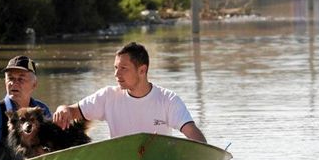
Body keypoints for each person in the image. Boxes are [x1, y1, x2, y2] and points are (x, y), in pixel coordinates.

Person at [53, 42, 207, 143]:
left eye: (123, 69)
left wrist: (205, 158)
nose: (116, 74)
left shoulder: (168, 100)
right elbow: (72, 111)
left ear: (142, 70)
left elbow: (192, 132)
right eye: (115, 68)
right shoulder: (108, 96)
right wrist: (63, 109)